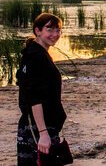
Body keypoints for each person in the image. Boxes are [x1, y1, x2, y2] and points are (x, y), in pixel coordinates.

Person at [16, 13, 68, 165]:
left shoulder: (32, 52)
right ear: (38, 31)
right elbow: (35, 98)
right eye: (49, 29)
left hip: (31, 124)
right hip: (39, 126)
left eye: (58, 30)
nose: (55, 34)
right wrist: (43, 133)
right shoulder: (37, 56)